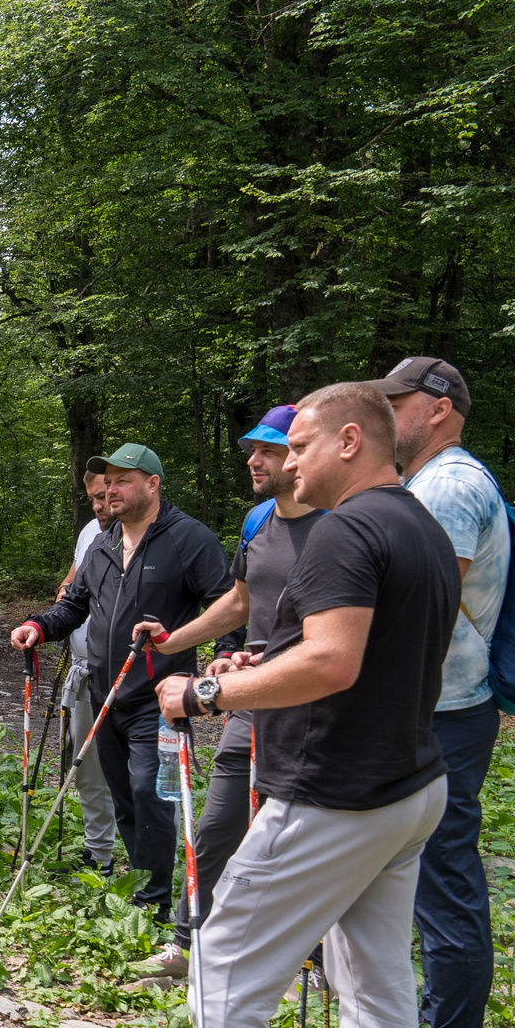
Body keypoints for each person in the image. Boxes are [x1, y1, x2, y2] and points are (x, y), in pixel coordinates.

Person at [111, 380, 456, 1028]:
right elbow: (350, 653)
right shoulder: (420, 528)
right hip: (410, 784)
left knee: (224, 952)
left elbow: (333, 663)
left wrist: (205, 697)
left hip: (333, 790)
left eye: (297, 445)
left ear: (348, 440)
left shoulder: (346, 530)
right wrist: (253, 667)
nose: (285, 460)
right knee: (373, 972)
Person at [128, 406, 321, 967]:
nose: (255, 461)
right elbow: (238, 601)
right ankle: (192, 945)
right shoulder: (259, 520)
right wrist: (171, 642)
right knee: (217, 829)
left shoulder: (339, 522)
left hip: (311, 706)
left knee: (296, 839)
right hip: (250, 704)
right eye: (251, 451)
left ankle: (309, 961)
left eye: (269, 450)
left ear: (302, 453)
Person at [10, 444, 233, 920]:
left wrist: (227, 656)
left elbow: (226, 603)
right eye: (106, 481)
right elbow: (75, 604)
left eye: (122, 480)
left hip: (162, 695)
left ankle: (154, 903)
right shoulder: (103, 542)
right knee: (125, 796)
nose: (110, 490)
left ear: (153, 484)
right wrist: (40, 626)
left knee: (151, 790)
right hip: (104, 692)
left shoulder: (189, 538)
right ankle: (141, 885)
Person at [379, 356, 509, 1028]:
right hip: (431, 706)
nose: (387, 413)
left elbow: (419, 605)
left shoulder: (454, 486)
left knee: (446, 881)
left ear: (438, 406)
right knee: (415, 873)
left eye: (396, 401)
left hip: (449, 712)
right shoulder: (426, 485)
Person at [63, 468, 119, 873]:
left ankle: (150, 864)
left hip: (132, 674)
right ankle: (99, 853)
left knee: (140, 772)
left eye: (106, 496)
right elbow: (74, 581)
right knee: (87, 766)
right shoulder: (91, 532)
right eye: (94, 499)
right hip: (83, 668)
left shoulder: (168, 537)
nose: (100, 506)